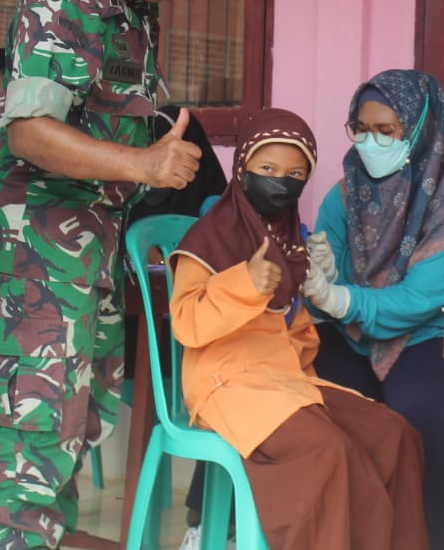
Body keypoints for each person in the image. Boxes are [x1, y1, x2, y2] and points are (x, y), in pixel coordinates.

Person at [0, 0, 212, 548]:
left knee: (76, 425)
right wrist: (143, 163)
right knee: (32, 442)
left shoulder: (132, 0)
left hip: (89, 245)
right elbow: (27, 130)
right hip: (36, 247)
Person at [169, 108, 428, 550]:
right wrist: (243, 284)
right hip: (226, 382)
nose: (280, 182)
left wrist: (318, 291)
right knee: (326, 451)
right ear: (242, 168)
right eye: (266, 169)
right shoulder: (210, 237)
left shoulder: (288, 236)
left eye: (294, 173)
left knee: (394, 436)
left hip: (286, 381)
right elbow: (186, 324)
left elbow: (294, 325)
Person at [307, 68, 444, 550]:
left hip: (439, 336)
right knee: (308, 398)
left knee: (416, 419)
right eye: (361, 129)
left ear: (421, 129)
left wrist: (342, 297)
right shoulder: (346, 192)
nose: (370, 142)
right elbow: (330, 275)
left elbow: (420, 301)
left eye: (387, 131)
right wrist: (325, 279)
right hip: (358, 333)